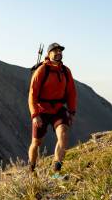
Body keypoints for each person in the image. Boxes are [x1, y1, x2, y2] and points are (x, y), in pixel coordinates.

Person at [28, 42, 77, 177]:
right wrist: (35, 115)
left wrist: (71, 112)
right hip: (41, 110)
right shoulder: (41, 71)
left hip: (58, 109)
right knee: (36, 143)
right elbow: (32, 95)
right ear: (48, 55)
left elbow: (71, 92)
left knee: (64, 136)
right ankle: (32, 170)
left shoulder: (66, 71)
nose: (58, 53)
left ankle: (56, 172)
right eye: (54, 51)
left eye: (60, 51)